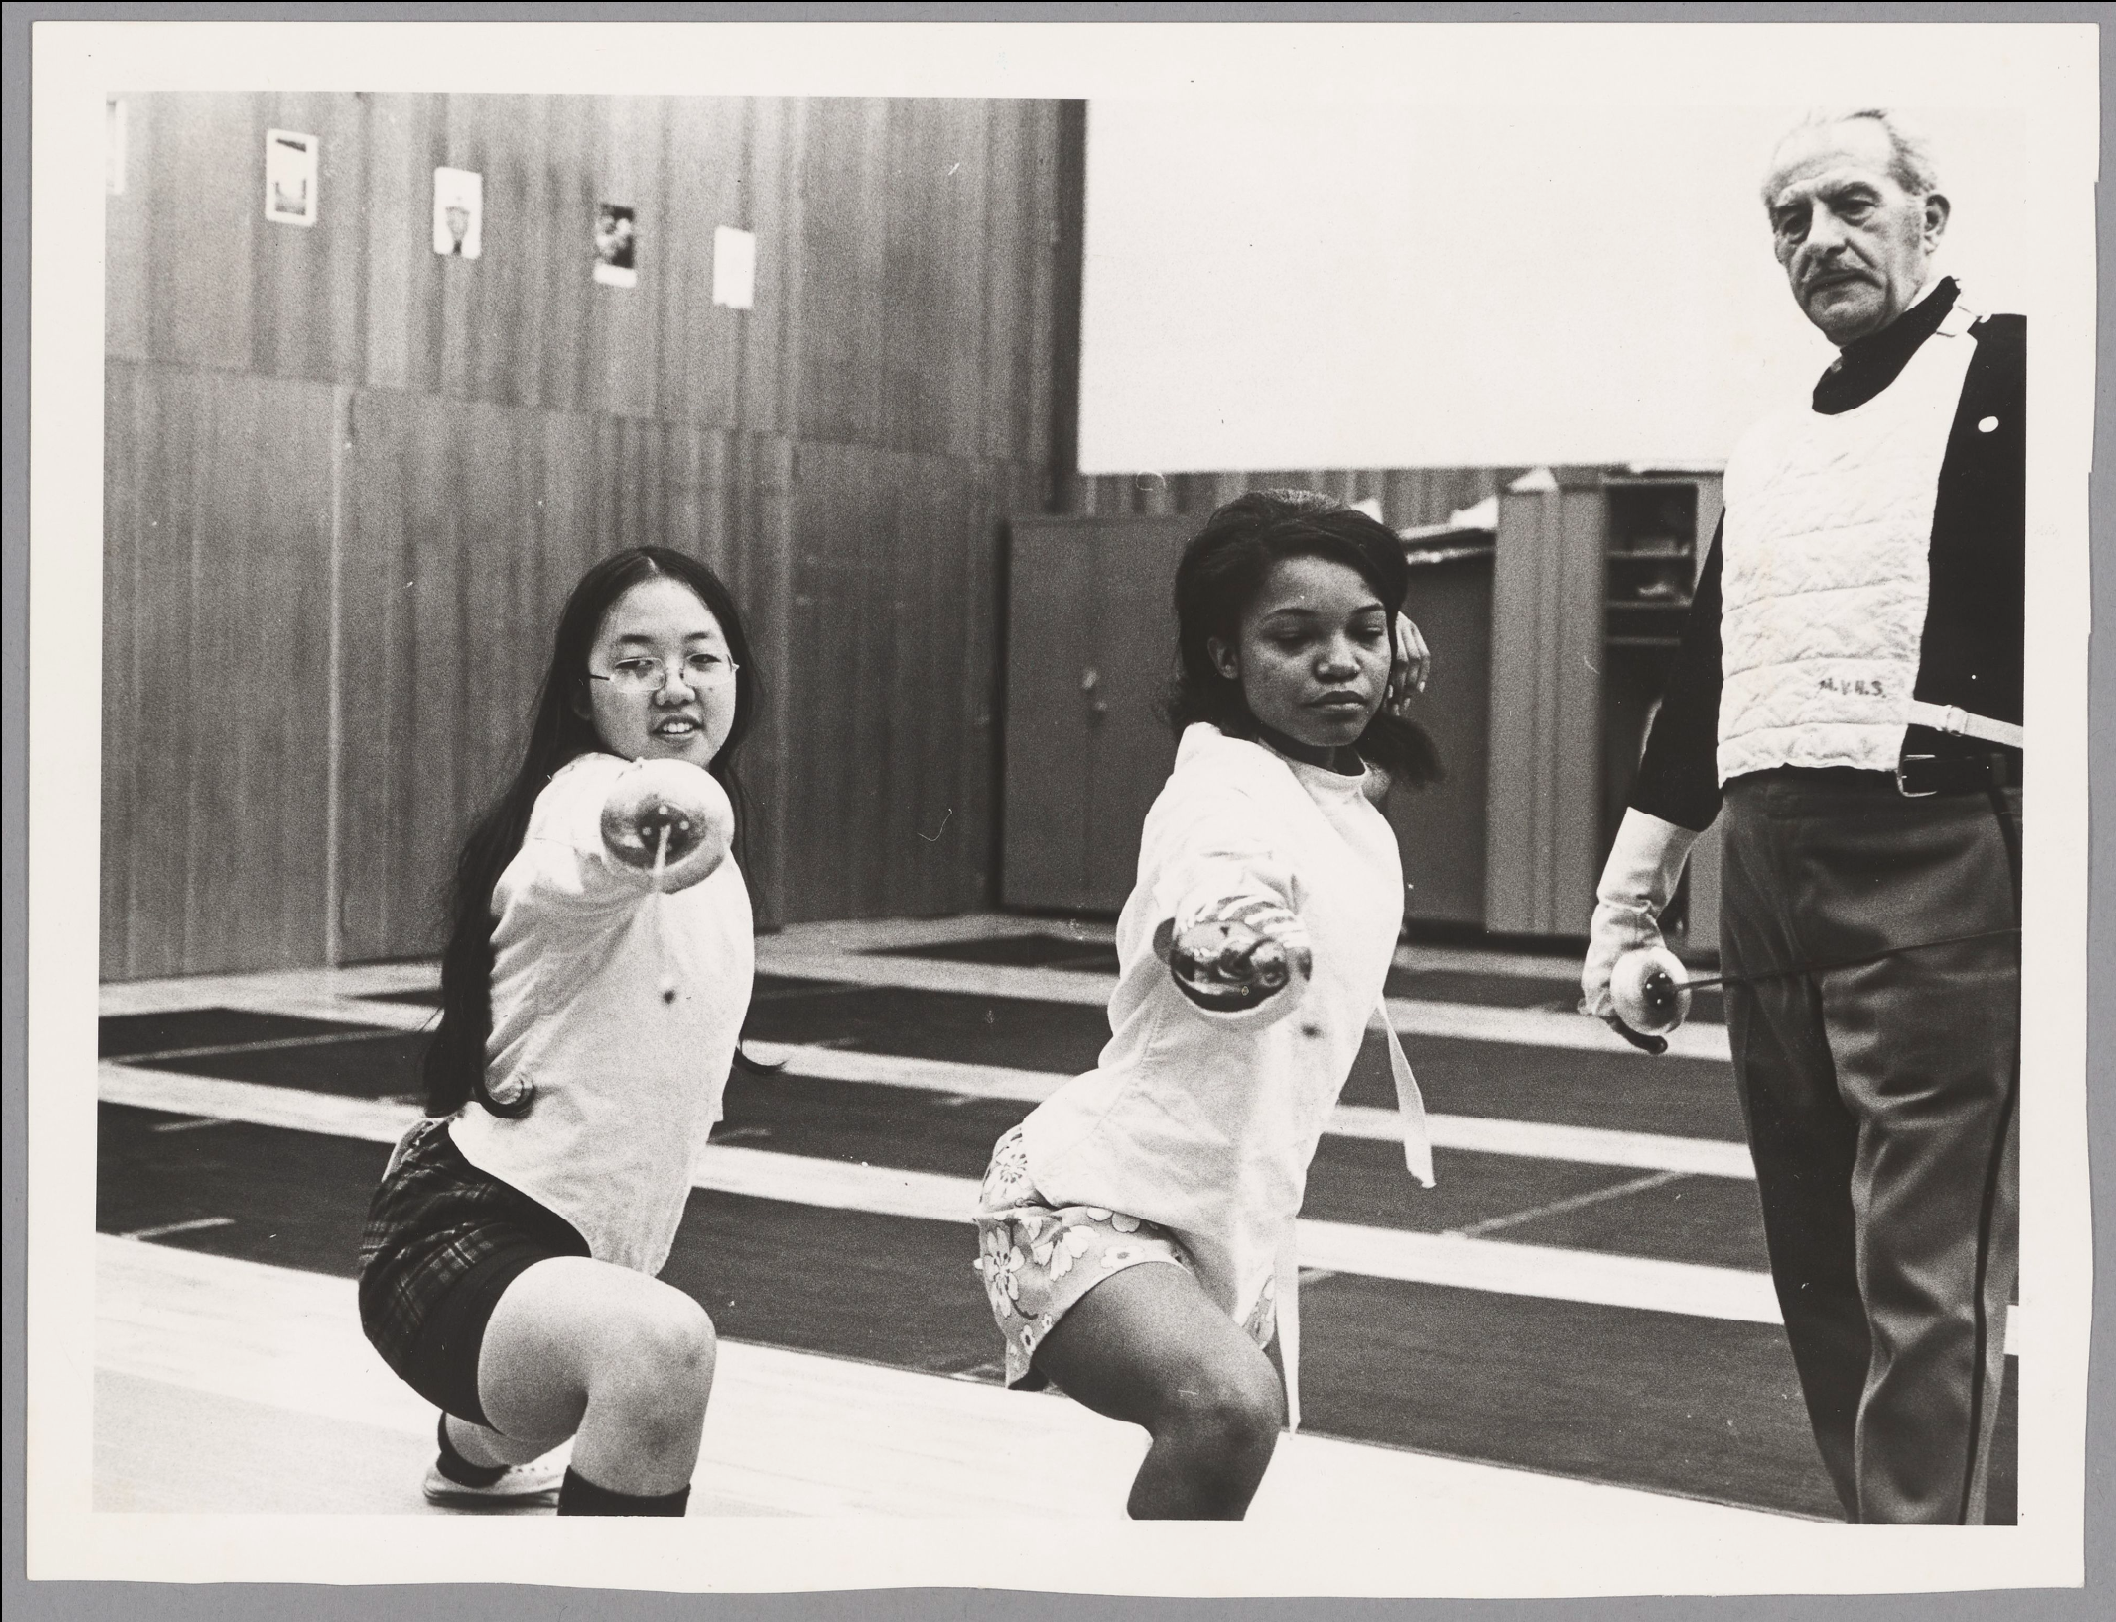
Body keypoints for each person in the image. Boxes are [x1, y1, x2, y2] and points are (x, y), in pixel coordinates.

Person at [1582, 109, 2022, 1523]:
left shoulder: (2022, 373)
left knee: (1923, 1267)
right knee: (1816, 1263)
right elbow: (1703, 683)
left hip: (1935, 844)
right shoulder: (1765, 449)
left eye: (1851, 205)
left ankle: (1923, 1562)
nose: (1819, 240)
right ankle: (1889, 1533)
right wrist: (1627, 905)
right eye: (1789, 220)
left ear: (1927, 219)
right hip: (1765, 872)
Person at [973, 491, 1439, 1519]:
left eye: (1365, 634)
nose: (1337, 661)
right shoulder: (1218, 785)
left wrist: (1363, 636)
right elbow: (1215, 867)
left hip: (1234, 1217)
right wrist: (1225, 926)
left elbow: (1336, 696)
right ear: (1223, 657)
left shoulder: (1330, 783)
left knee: (1234, 1461)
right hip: (1090, 1205)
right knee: (1228, 1409)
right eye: (1291, 637)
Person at [359, 546, 762, 1516]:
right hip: (455, 1237)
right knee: (657, 1349)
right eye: (635, 662)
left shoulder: (717, 861)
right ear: (584, 696)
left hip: (573, 1263)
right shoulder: (586, 801)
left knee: (591, 1348)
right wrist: (640, 819)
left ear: (736, 679)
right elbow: (572, 866)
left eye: (702, 659)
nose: (675, 685)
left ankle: (475, 1447)